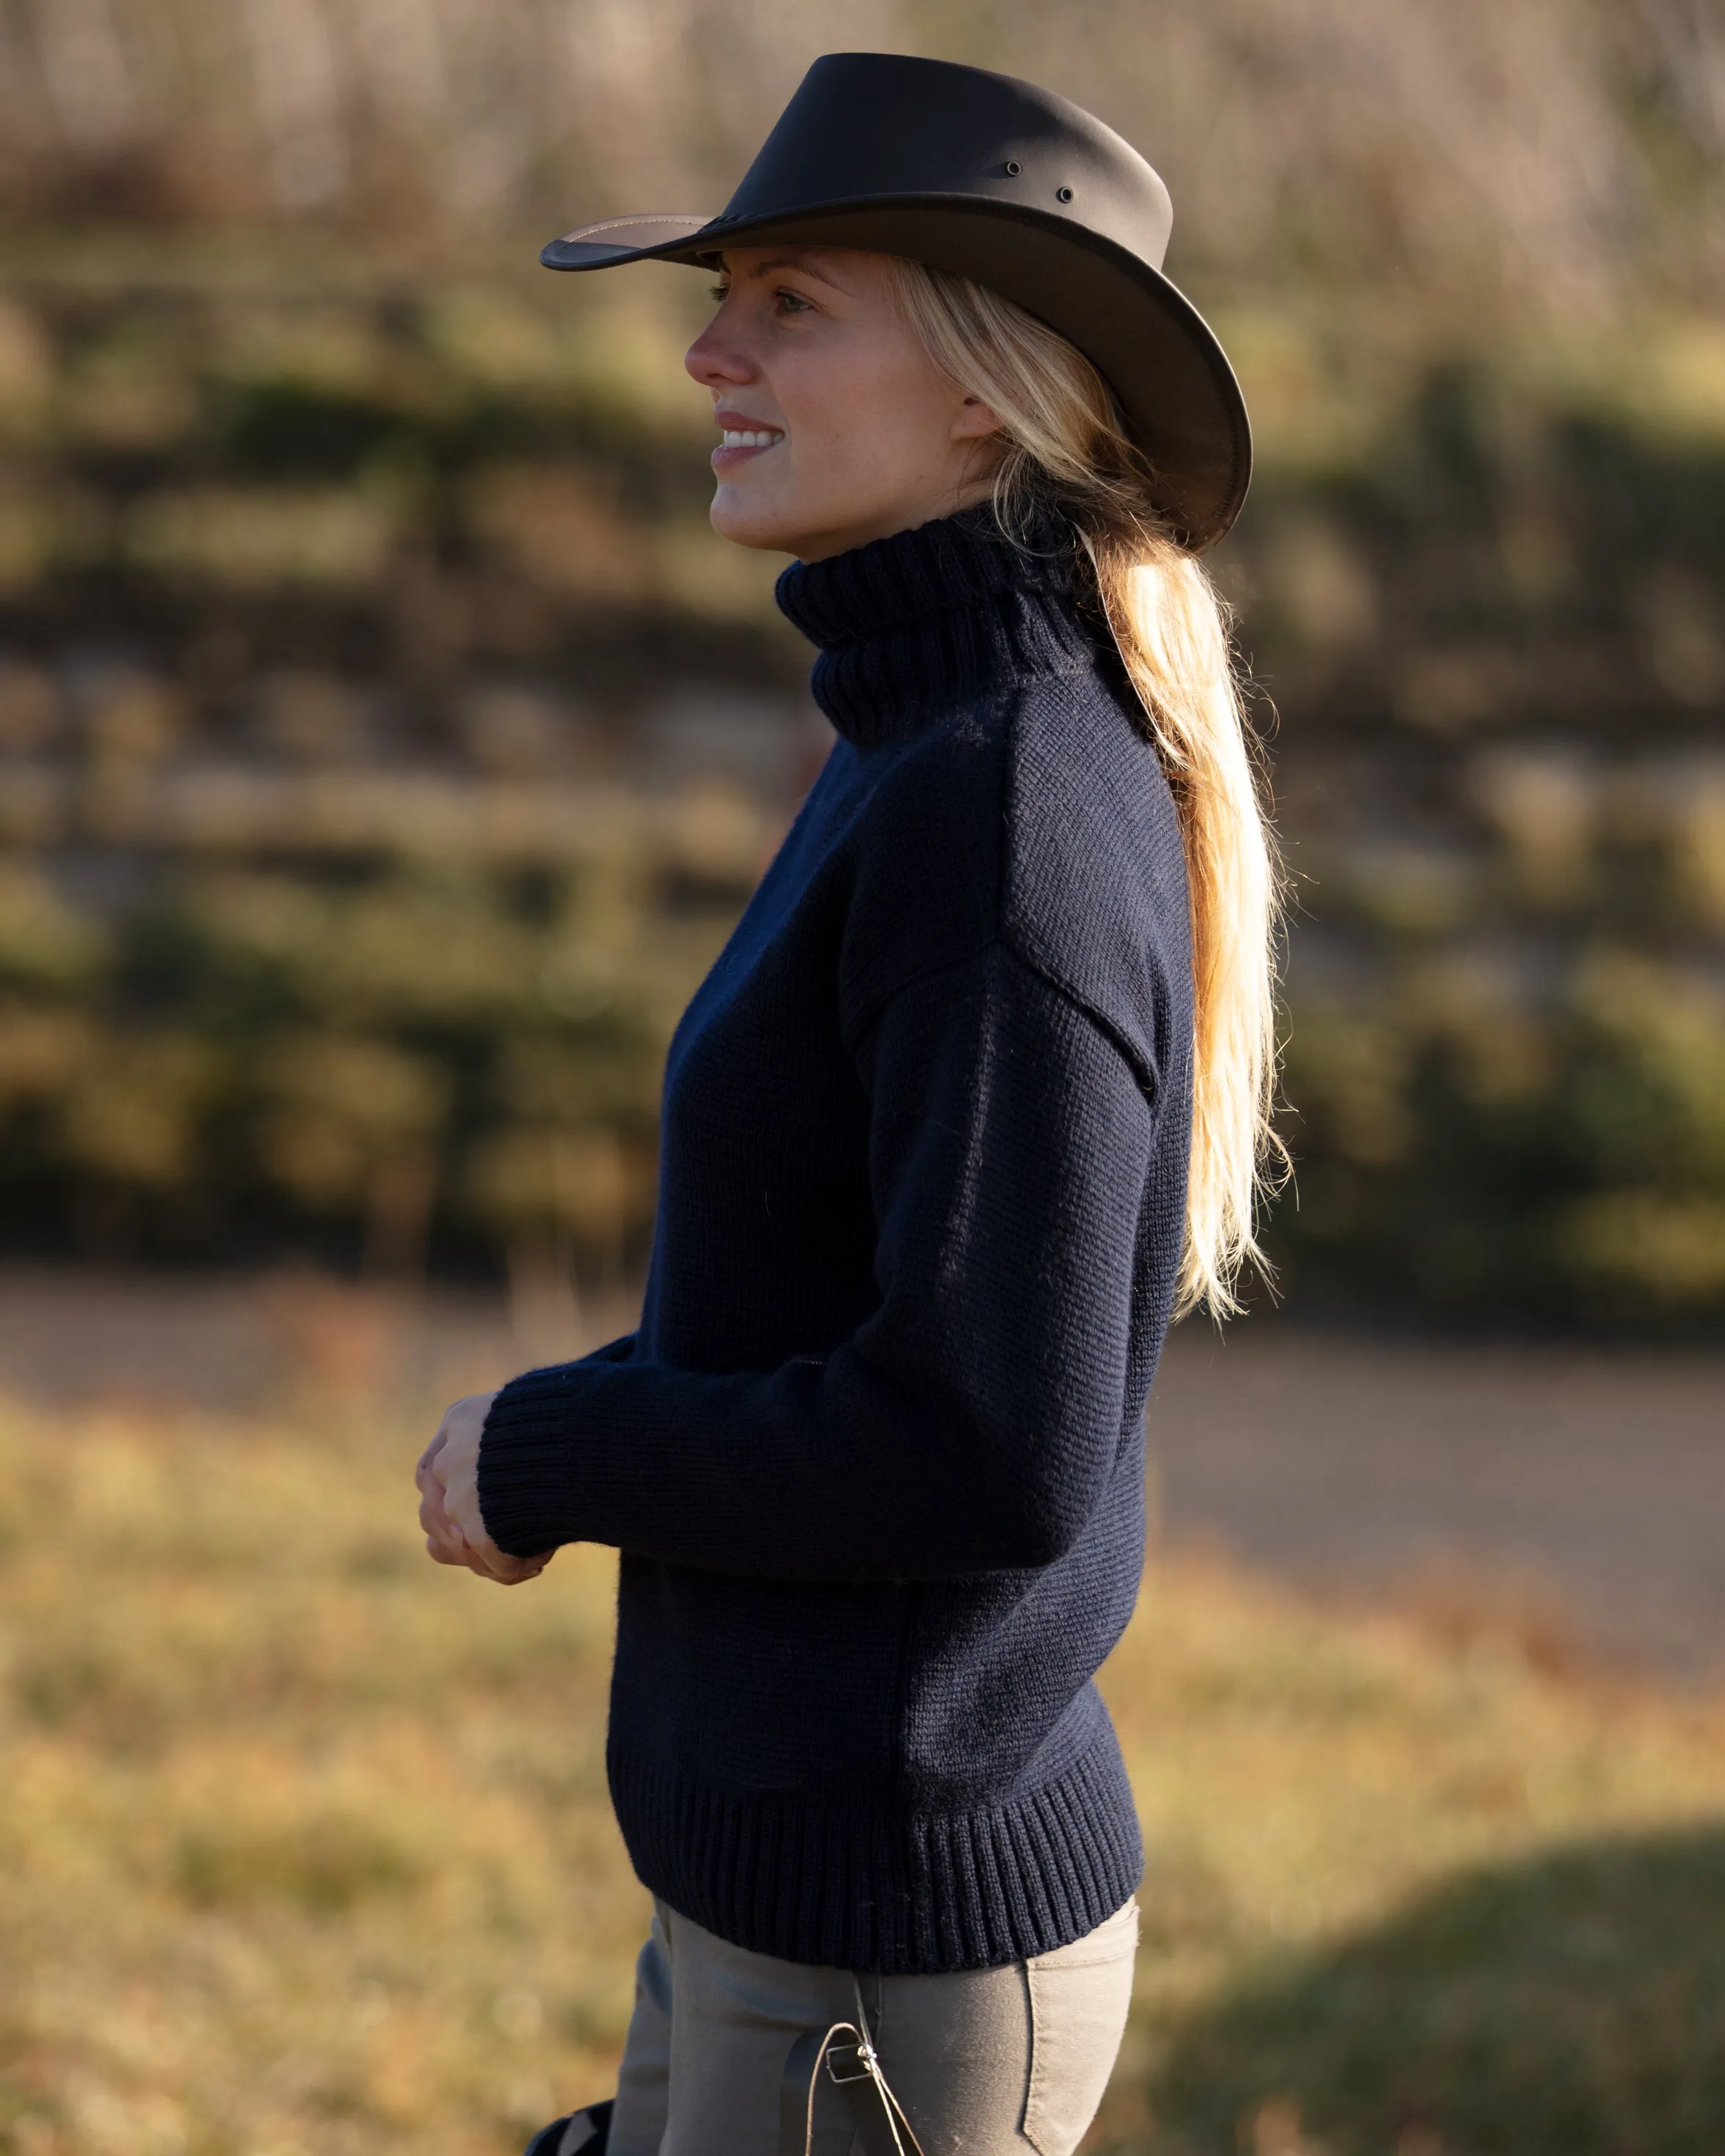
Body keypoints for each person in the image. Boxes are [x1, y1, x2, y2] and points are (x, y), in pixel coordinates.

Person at [416, 52, 1280, 2156]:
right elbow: (833, 1309)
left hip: (879, 1963)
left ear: (988, 386)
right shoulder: (929, 748)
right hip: (786, 1915)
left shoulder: (997, 810)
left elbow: (981, 1445)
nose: (710, 350)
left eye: (790, 301)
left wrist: (560, 1444)